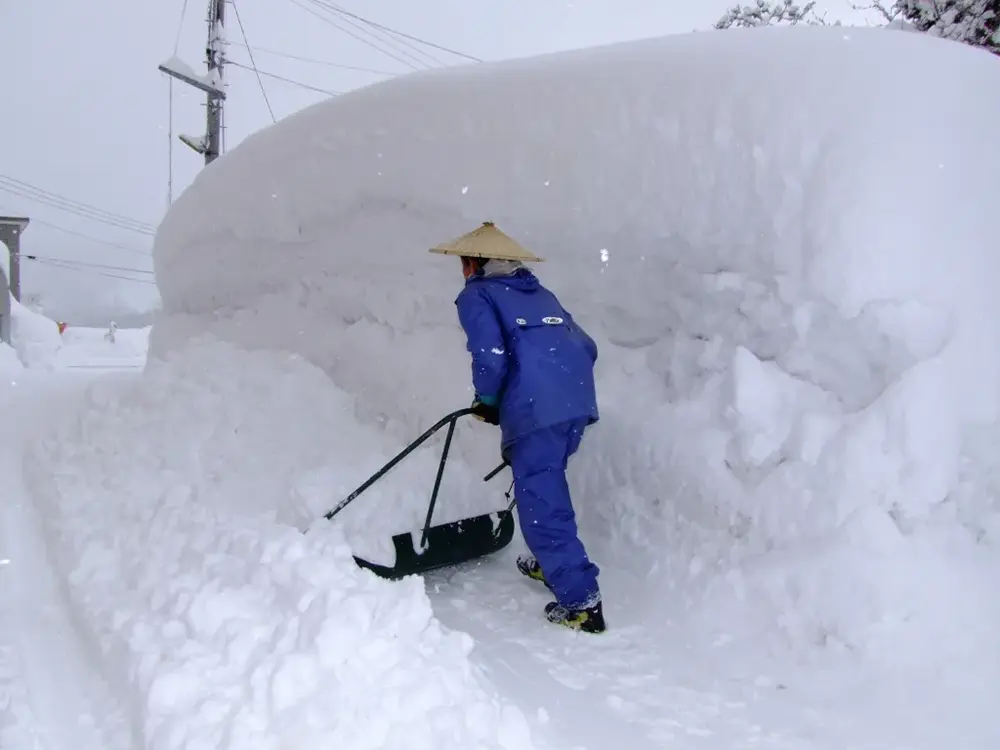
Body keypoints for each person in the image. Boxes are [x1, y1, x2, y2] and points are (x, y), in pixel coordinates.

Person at [429, 221, 605, 634]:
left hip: (537, 409)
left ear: (475, 262)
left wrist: (488, 402)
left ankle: (582, 602)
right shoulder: (540, 293)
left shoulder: (478, 295)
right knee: (545, 487)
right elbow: (586, 346)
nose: (463, 269)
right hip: (575, 403)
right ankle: (550, 563)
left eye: (463, 261)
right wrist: (559, 391)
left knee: (542, 502)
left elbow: (489, 356)